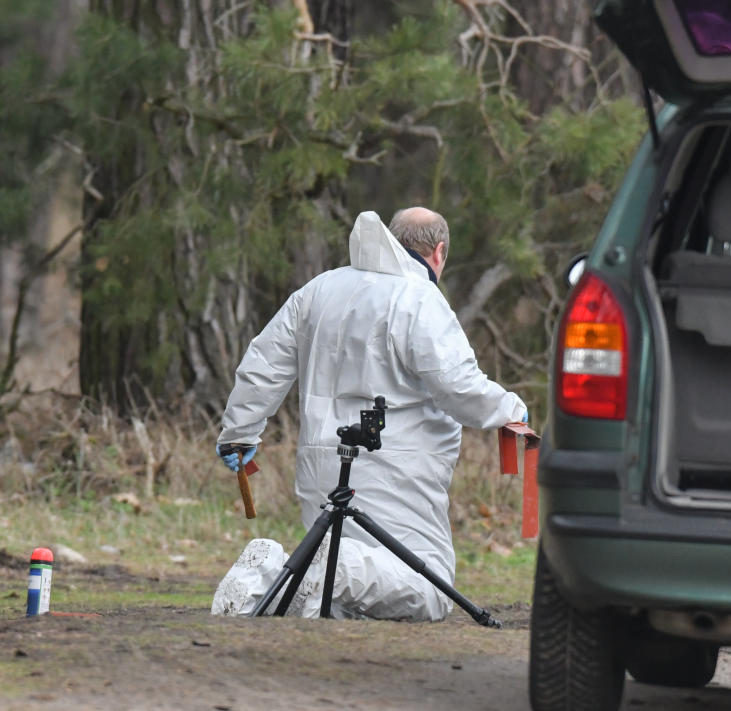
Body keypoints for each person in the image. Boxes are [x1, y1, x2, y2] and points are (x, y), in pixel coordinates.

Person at [211, 208, 527, 621]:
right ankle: (317, 567)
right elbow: (457, 387)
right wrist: (512, 410)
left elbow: (264, 365)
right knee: (427, 591)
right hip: (395, 468)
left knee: (338, 604)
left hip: (321, 463)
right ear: (439, 252)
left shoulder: (319, 289)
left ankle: (257, 588)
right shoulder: (417, 298)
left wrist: (240, 432)